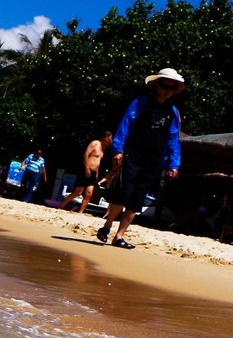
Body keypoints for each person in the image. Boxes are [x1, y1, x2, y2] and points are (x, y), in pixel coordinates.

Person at [97, 68, 185, 249]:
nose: (168, 89)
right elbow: (125, 125)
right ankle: (107, 226)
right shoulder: (141, 102)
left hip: (153, 161)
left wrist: (173, 164)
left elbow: (173, 139)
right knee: (123, 194)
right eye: (165, 85)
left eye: (172, 86)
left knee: (137, 200)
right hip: (132, 156)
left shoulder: (173, 112)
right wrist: (117, 150)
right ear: (157, 85)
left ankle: (119, 236)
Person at [59, 131, 113, 213]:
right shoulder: (95, 143)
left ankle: (80, 212)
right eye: (110, 138)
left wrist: (97, 174)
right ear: (104, 137)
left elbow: (97, 162)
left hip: (94, 173)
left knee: (89, 193)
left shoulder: (103, 149)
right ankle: (62, 205)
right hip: (85, 169)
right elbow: (86, 154)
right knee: (78, 192)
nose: (111, 140)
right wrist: (87, 168)